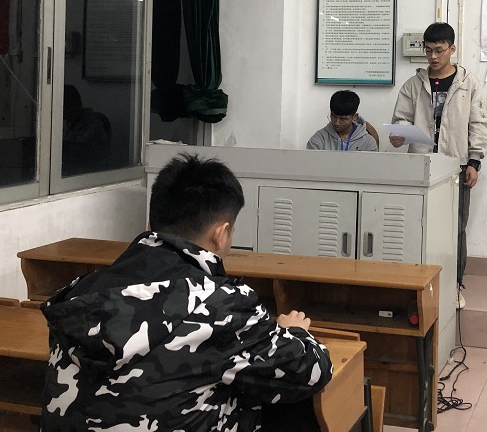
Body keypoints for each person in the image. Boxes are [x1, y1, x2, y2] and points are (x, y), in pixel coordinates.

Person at [41, 153, 332, 432]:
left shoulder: (82, 289)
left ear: (151, 226)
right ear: (221, 234)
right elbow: (312, 371)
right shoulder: (223, 303)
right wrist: (294, 332)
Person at [388, 22, 487, 309]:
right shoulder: (413, 84)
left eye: (439, 50)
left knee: (455, 228)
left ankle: (454, 285)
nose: (433, 56)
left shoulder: (469, 83)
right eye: (429, 50)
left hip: (456, 166)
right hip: (420, 166)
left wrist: (475, 161)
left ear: (452, 49)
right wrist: (398, 133)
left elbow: (478, 124)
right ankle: (418, 283)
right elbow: (401, 119)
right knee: (418, 225)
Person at [62, 83, 111, 175]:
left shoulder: (94, 130)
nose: (64, 113)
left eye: (68, 107)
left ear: (78, 104)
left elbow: (81, 163)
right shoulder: (68, 125)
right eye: (62, 108)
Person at [307, 90, 378, 151]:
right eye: (333, 117)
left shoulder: (368, 142)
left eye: (343, 119)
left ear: (354, 117)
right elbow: (310, 161)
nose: (337, 123)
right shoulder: (319, 138)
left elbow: (372, 162)